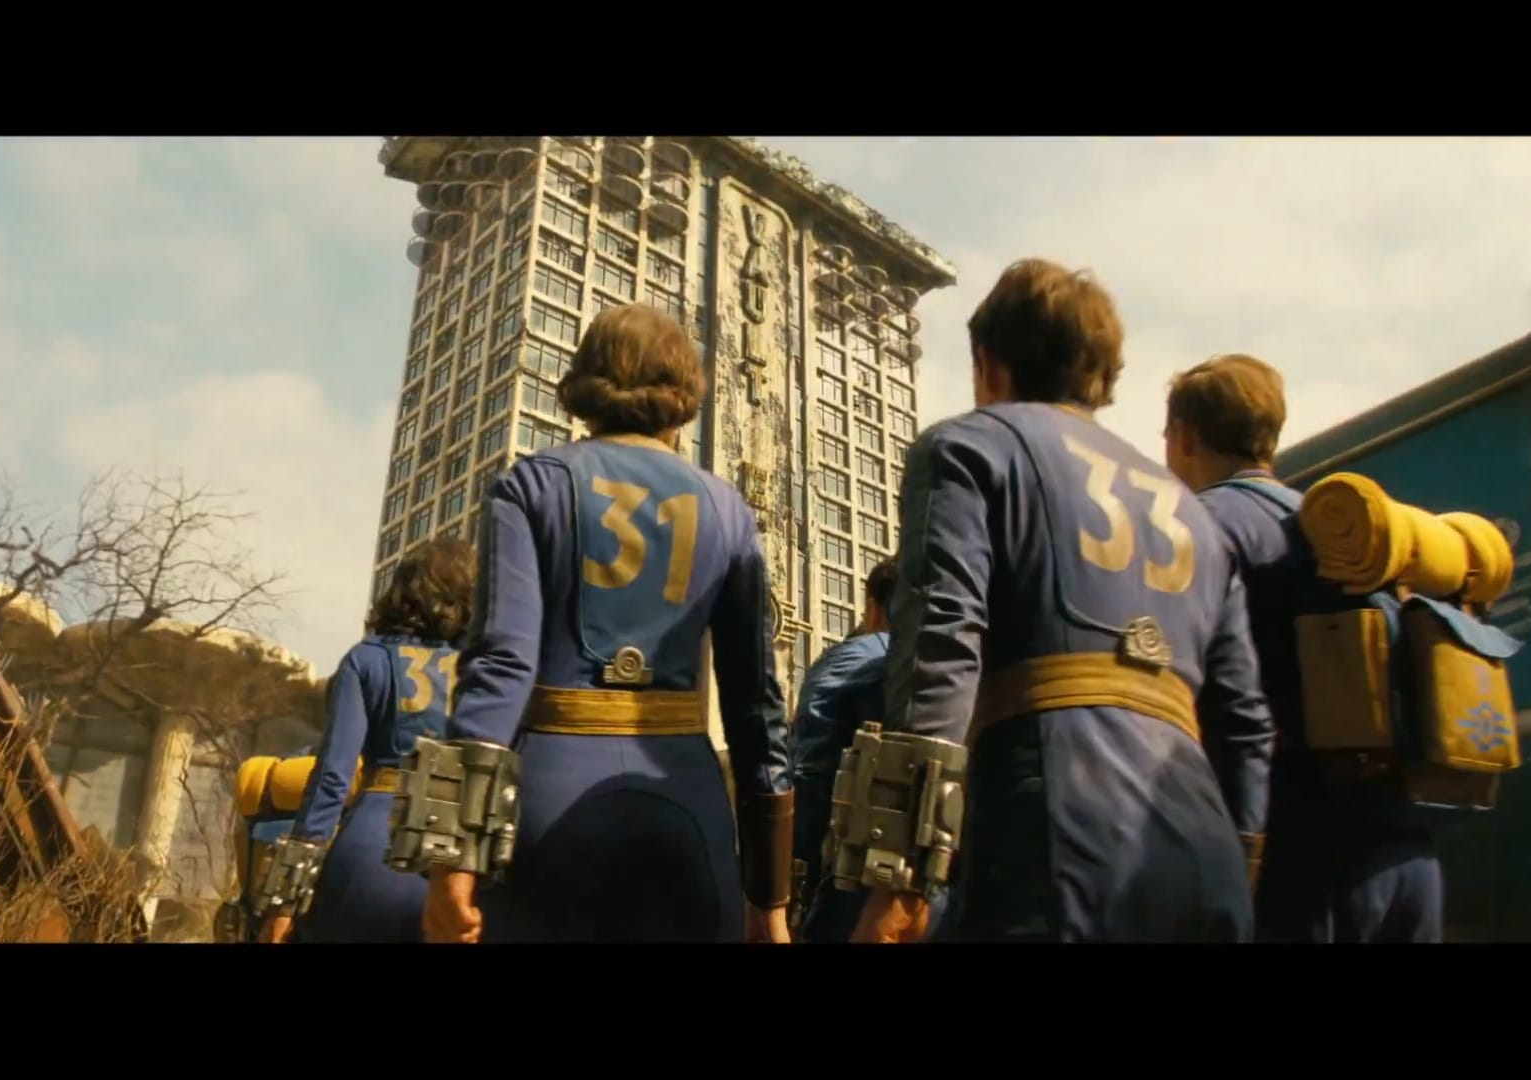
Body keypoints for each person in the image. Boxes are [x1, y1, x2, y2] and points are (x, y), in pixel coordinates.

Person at [838, 258, 1275, 944]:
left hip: (1050, 832)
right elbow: (1246, 724)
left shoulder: (967, 448)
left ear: (989, 363)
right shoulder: (1194, 514)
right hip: (1205, 855)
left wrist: (902, 875)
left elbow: (940, 645)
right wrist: (1239, 870)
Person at [390, 304, 793, 944]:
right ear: (684, 390)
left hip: (546, 801)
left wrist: (452, 861)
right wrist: (770, 897)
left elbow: (500, 666)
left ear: (586, 381)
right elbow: (756, 706)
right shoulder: (729, 511)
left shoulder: (530, 486)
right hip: (688, 803)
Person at [1166, 353, 1443, 942]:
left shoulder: (1198, 526)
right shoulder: (1340, 527)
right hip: (1406, 852)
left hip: (1298, 861)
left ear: (1184, 437)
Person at [255, 538, 475, 943]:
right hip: (458, 863)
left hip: (369, 855)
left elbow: (332, 780)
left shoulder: (366, 659)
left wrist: (283, 901)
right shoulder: (490, 671)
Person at [790, 558, 935, 944]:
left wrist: (786, 893)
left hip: (854, 892)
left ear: (873, 608)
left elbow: (807, 777)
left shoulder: (849, 661)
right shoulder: (961, 668)